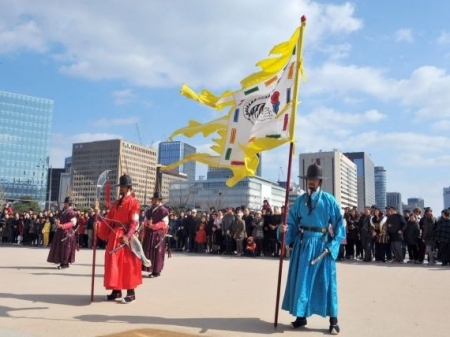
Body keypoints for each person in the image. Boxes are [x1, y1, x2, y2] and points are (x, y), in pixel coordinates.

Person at [279, 163, 345, 335]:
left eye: (314, 179)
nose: (311, 182)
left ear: (320, 181)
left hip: (322, 245)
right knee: (302, 281)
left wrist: (333, 245)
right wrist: (284, 230)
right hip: (303, 244)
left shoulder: (329, 200)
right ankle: (301, 317)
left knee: (327, 282)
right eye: (309, 179)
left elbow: (339, 224)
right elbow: (292, 222)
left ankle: (333, 320)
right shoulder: (300, 201)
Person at [95, 174, 142, 303]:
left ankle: (131, 293)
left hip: (125, 236)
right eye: (120, 186)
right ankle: (116, 291)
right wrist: (98, 219)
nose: (120, 189)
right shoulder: (116, 203)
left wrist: (127, 236)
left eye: (122, 187)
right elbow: (109, 220)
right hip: (114, 236)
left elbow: (134, 222)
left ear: (128, 188)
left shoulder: (134, 202)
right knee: (113, 263)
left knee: (127, 264)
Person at [142, 191, 169, 278]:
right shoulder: (149, 210)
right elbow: (145, 220)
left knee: (157, 252)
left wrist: (154, 226)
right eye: (153, 199)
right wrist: (147, 223)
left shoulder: (163, 210)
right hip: (150, 233)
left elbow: (165, 223)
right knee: (149, 252)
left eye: (156, 200)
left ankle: (156, 271)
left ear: (159, 200)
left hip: (158, 234)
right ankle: (150, 269)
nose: (154, 201)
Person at [47, 197, 77, 269]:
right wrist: (57, 222)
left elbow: (73, 223)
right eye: (65, 203)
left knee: (66, 248)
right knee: (60, 248)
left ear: (69, 204)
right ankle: (61, 261)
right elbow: (57, 218)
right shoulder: (62, 211)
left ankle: (65, 263)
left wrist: (62, 226)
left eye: (66, 203)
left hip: (67, 232)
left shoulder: (72, 212)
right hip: (60, 232)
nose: (65, 204)